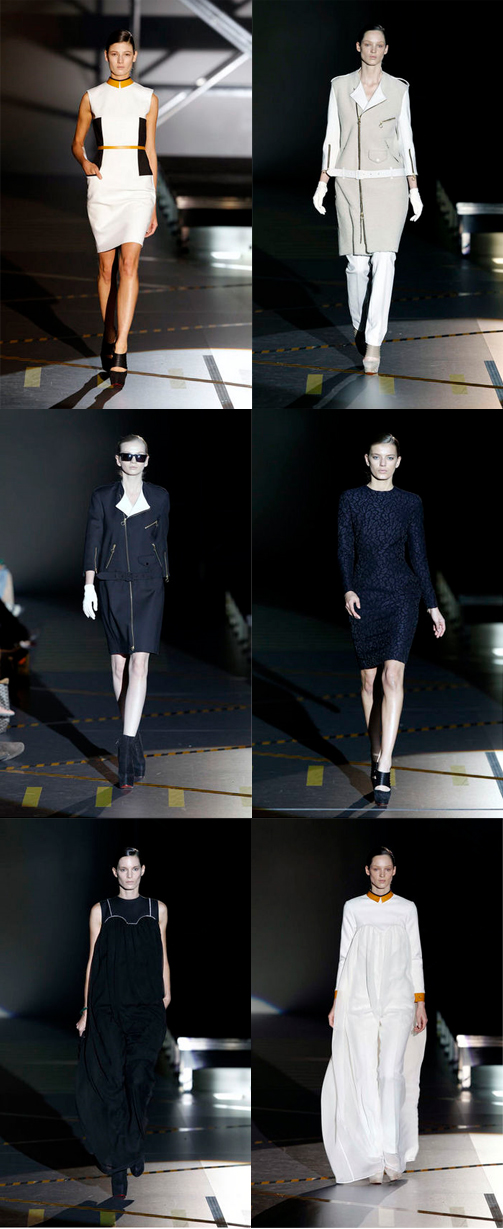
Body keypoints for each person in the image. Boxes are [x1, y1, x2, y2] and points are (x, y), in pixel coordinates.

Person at [338, 433, 445, 806]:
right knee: (368, 682)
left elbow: (419, 554)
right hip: (365, 596)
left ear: (398, 462)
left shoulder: (410, 502)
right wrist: (348, 589)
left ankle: (385, 765)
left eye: (389, 457)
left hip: (402, 595)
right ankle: (375, 751)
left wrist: (432, 605)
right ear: (366, 459)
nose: (382, 463)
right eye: (376, 456)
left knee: (392, 676)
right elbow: (344, 548)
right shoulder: (351, 499)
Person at [313, 24, 422, 374]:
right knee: (357, 266)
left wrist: (413, 188)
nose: (373, 50)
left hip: (389, 183)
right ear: (358, 46)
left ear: (386, 49)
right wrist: (323, 181)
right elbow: (332, 135)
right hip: (349, 184)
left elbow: (406, 139)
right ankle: (362, 328)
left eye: (380, 45)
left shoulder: (398, 89)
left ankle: (374, 341)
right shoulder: (340, 86)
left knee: (385, 261)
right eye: (368, 44)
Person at [321, 846, 427, 1185]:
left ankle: (391, 1154)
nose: (382, 874)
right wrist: (337, 1001)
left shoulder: (406, 909)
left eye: (387, 869)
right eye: (376, 868)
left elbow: (415, 956)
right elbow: (344, 956)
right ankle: (371, 1157)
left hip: (399, 999)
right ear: (367, 870)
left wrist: (420, 1002)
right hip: (360, 1000)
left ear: (394, 871)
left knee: (390, 1074)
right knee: (365, 1074)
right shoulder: (353, 907)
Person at [76, 847, 170, 1199]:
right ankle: (119, 1166)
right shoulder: (101, 910)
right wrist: (87, 1009)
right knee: (113, 1085)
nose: (129, 875)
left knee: (139, 1081)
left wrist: (166, 995)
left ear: (143, 870)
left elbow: (162, 954)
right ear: (114, 872)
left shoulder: (157, 909)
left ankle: (134, 1143)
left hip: (147, 1009)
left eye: (134, 868)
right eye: (123, 869)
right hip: (108, 1009)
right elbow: (92, 961)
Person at [71, 28, 159, 387]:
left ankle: (121, 345)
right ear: (106, 56)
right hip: (105, 184)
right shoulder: (92, 97)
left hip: (138, 186)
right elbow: (77, 143)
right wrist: (85, 163)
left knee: (129, 264)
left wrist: (153, 202)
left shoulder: (148, 98)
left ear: (134, 56)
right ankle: (108, 333)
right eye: (114, 53)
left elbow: (150, 149)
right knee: (106, 270)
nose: (120, 60)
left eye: (126, 54)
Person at [82, 433, 170, 789]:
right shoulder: (102, 496)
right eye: (128, 456)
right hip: (112, 583)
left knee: (139, 663)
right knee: (119, 665)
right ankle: (132, 736)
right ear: (117, 460)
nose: (134, 462)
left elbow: (161, 540)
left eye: (140, 456)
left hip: (149, 585)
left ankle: (127, 746)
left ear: (147, 460)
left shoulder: (160, 496)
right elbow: (93, 540)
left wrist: (162, 573)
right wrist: (89, 585)